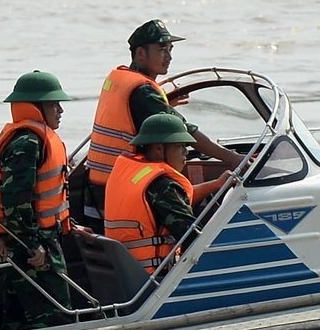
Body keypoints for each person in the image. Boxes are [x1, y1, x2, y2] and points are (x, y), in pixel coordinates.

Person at [79, 19, 242, 231]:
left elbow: (131, 113)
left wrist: (164, 104)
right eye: (162, 50)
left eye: (171, 49)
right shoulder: (143, 92)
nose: (169, 57)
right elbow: (184, 131)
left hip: (101, 186)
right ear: (140, 54)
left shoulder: (120, 78)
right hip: (121, 188)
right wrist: (233, 158)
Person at [0, 70, 75, 330]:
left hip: (34, 240)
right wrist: (32, 244)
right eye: (52, 105)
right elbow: (15, 198)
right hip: (34, 246)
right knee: (56, 319)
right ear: (34, 108)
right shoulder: (28, 142)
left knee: (19, 319)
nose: (59, 110)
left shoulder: (35, 138)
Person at [102, 113, 199, 275]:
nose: (186, 152)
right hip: (155, 278)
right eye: (180, 145)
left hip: (126, 272)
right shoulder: (162, 186)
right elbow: (192, 236)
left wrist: (216, 185)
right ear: (159, 148)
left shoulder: (131, 174)